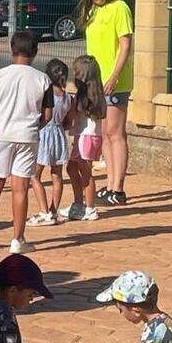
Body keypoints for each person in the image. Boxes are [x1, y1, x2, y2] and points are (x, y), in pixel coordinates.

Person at [0, 31, 51, 255]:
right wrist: (34, 128)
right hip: (27, 136)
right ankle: (18, 239)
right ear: (35, 52)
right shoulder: (43, 79)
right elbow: (47, 115)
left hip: (0, 136)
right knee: (21, 188)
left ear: (11, 50)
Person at [81, 0, 133, 206]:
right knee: (104, 135)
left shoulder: (119, 8)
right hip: (95, 81)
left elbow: (124, 45)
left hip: (114, 82)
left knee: (115, 132)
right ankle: (111, 183)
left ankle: (118, 188)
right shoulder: (93, 10)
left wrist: (113, 76)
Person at [28, 59, 75, 227]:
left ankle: (44, 211)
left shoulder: (44, 96)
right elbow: (69, 122)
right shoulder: (69, 98)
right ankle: (54, 210)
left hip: (44, 135)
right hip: (59, 135)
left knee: (35, 175)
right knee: (57, 175)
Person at [65, 56, 105, 222]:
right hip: (93, 137)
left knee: (86, 173)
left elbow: (73, 114)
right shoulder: (98, 95)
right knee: (71, 168)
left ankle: (89, 207)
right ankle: (78, 203)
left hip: (84, 138)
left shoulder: (82, 97)